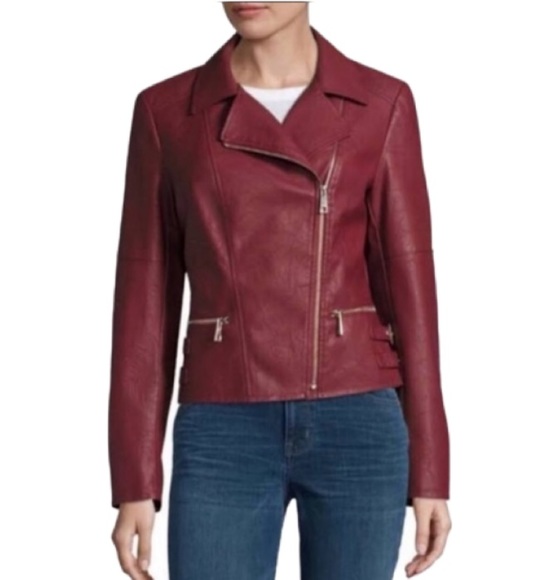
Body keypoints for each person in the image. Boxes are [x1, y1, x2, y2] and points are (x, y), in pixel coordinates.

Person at [108, 2, 452, 579]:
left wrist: (431, 466)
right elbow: (144, 297)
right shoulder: (166, 113)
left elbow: (411, 289)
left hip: (357, 419)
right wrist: (134, 479)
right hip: (223, 426)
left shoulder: (381, 104)